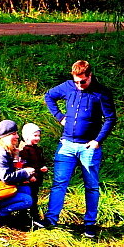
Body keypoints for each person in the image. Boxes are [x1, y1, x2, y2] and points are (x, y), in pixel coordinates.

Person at [43, 60, 114, 237]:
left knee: (91, 186)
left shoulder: (101, 93)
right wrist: (59, 116)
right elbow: (49, 96)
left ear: (90, 76)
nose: (80, 85)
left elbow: (111, 118)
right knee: (59, 183)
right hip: (66, 145)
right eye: (76, 82)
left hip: (89, 147)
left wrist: (98, 140)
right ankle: (51, 220)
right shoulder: (68, 87)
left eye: (83, 81)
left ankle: (89, 224)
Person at [18, 122, 50, 226]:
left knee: (34, 197)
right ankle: (26, 217)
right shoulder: (23, 150)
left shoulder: (37, 149)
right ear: (27, 136)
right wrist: (29, 176)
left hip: (37, 178)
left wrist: (43, 167)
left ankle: (33, 217)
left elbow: (40, 161)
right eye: (35, 135)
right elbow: (22, 165)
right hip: (27, 180)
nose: (38, 138)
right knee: (28, 196)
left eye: (39, 135)